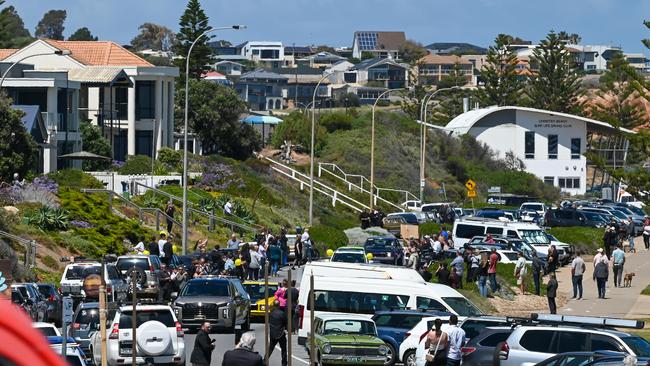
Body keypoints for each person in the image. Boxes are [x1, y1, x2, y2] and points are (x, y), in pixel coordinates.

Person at [267, 300, 288, 366]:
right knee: (284, 349)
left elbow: (269, 321)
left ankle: (264, 361)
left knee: (270, 348)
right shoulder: (282, 313)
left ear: (273, 305)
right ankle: (284, 363)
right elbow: (285, 322)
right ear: (279, 305)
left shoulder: (270, 313)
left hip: (273, 333)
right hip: (281, 333)